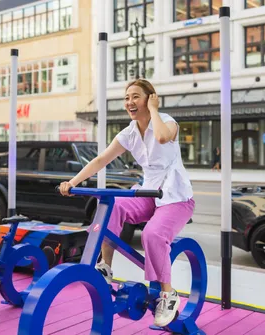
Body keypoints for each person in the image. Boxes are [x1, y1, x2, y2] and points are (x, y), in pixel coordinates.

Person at [58, 79, 195, 328]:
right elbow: (101, 160)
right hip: (148, 192)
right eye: (127, 97)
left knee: (152, 235)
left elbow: (163, 138)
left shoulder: (167, 122)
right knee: (112, 205)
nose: (130, 102)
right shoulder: (130, 133)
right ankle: (105, 267)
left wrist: (154, 110)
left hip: (176, 197)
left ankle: (167, 293)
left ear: (150, 98)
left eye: (136, 97)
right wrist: (72, 181)